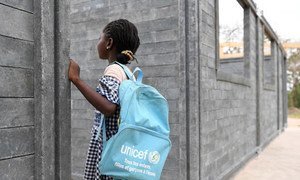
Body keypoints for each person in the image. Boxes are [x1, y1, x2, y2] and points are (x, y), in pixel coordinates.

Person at [68, 19, 140, 180]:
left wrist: (76, 79)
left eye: (99, 39)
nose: (97, 43)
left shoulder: (113, 70)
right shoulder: (128, 73)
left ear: (109, 43)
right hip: (120, 147)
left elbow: (108, 107)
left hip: (108, 147)